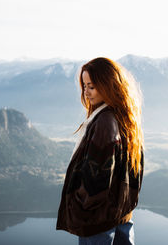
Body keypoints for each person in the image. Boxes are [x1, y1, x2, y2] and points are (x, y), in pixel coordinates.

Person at [56, 57, 144, 245]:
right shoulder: (126, 118)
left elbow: (97, 178)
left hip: (97, 221)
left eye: (91, 87)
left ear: (107, 85)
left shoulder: (105, 122)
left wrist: (82, 206)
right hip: (121, 215)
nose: (85, 92)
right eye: (84, 86)